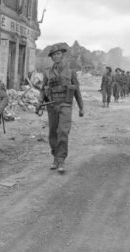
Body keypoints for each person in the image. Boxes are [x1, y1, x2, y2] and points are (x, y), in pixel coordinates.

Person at [38, 43, 84, 174]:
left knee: (63, 132)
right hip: (52, 105)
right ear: (51, 57)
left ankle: (61, 159)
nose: (56, 56)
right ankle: (55, 157)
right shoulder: (47, 72)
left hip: (65, 105)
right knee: (53, 133)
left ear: (62, 55)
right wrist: (39, 102)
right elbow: (42, 90)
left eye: (58, 54)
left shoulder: (71, 72)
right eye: (53, 55)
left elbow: (77, 91)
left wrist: (81, 108)